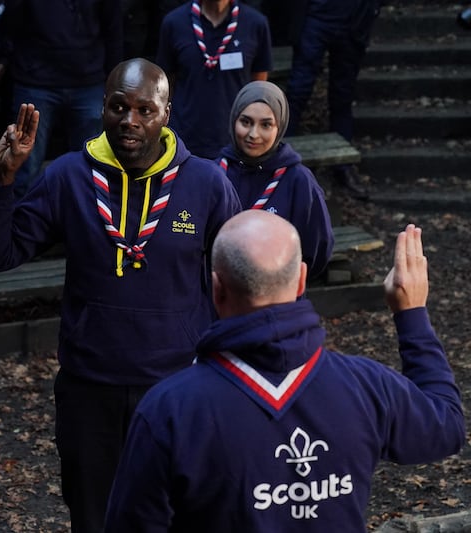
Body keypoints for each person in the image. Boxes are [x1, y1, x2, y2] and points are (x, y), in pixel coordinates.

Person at [0, 58, 241, 532]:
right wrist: (3, 182)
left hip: (176, 385)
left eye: (145, 109)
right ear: (102, 108)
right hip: (88, 385)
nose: (130, 121)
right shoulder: (68, 176)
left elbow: (238, 280)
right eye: (119, 107)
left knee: (174, 517)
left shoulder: (206, 183)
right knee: (93, 517)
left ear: (166, 113)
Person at [104, 211, 465, 532]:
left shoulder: (170, 410)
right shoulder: (367, 387)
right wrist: (412, 313)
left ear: (215, 288)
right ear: (302, 279)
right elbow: (446, 427)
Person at [0, 0, 123, 198]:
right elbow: (9, 21)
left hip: (89, 82)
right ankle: (21, 225)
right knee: (24, 168)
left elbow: (114, 27)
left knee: (92, 170)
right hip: (35, 81)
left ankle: (85, 225)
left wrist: (113, 80)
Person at [218, 80, 333, 279]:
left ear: (279, 127)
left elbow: (317, 249)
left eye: (266, 125)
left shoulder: (298, 181)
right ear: (233, 120)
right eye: (246, 122)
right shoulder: (215, 173)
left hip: (277, 298)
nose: (253, 134)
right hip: (220, 298)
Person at [284, 0, 380, 200]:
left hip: (354, 21)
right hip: (316, 17)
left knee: (343, 95)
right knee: (297, 90)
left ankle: (343, 166)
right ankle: (279, 158)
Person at [156, 0, 272, 159]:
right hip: (185, 142)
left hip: (236, 141)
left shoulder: (256, 24)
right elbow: (166, 84)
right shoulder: (174, 23)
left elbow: (258, 87)